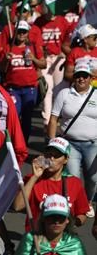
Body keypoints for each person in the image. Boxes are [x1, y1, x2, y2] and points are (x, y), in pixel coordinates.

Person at [48, 60, 97, 213]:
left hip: (93, 144)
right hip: (70, 144)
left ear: (91, 78)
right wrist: (52, 143)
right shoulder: (64, 94)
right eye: (78, 76)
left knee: (93, 179)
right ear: (73, 77)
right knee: (73, 177)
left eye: (84, 76)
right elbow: (53, 119)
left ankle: (87, 201)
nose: (81, 79)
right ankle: (75, 206)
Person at [13, 137, 90, 229]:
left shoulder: (74, 183)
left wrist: (71, 224)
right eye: (48, 154)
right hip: (37, 235)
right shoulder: (33, 179)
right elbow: (18, 206)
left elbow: (82, 213)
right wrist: (35, 177)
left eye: (56, 155)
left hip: (62, 237)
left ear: (66, 159)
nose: (51, 158)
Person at [0, 20, 47, 142]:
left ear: (27, 33)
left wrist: (33, 58)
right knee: (13, 115)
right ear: (15, 32)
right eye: (19, 31)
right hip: (12, 88)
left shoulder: (33, 47)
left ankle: (23, 143)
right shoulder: (8, 48)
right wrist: (5, 59)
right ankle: (12, 142)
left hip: (30, 88)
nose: (21, 34)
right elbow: (2, 69)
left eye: (24, 32)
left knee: (27, 117)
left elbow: (43, 64)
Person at [16, 194, 87, 255]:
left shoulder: (74, 243)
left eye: (61, 217)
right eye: (52, 217)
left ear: (67, 220)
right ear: (43, 218)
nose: (57, 221)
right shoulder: (31, 240)